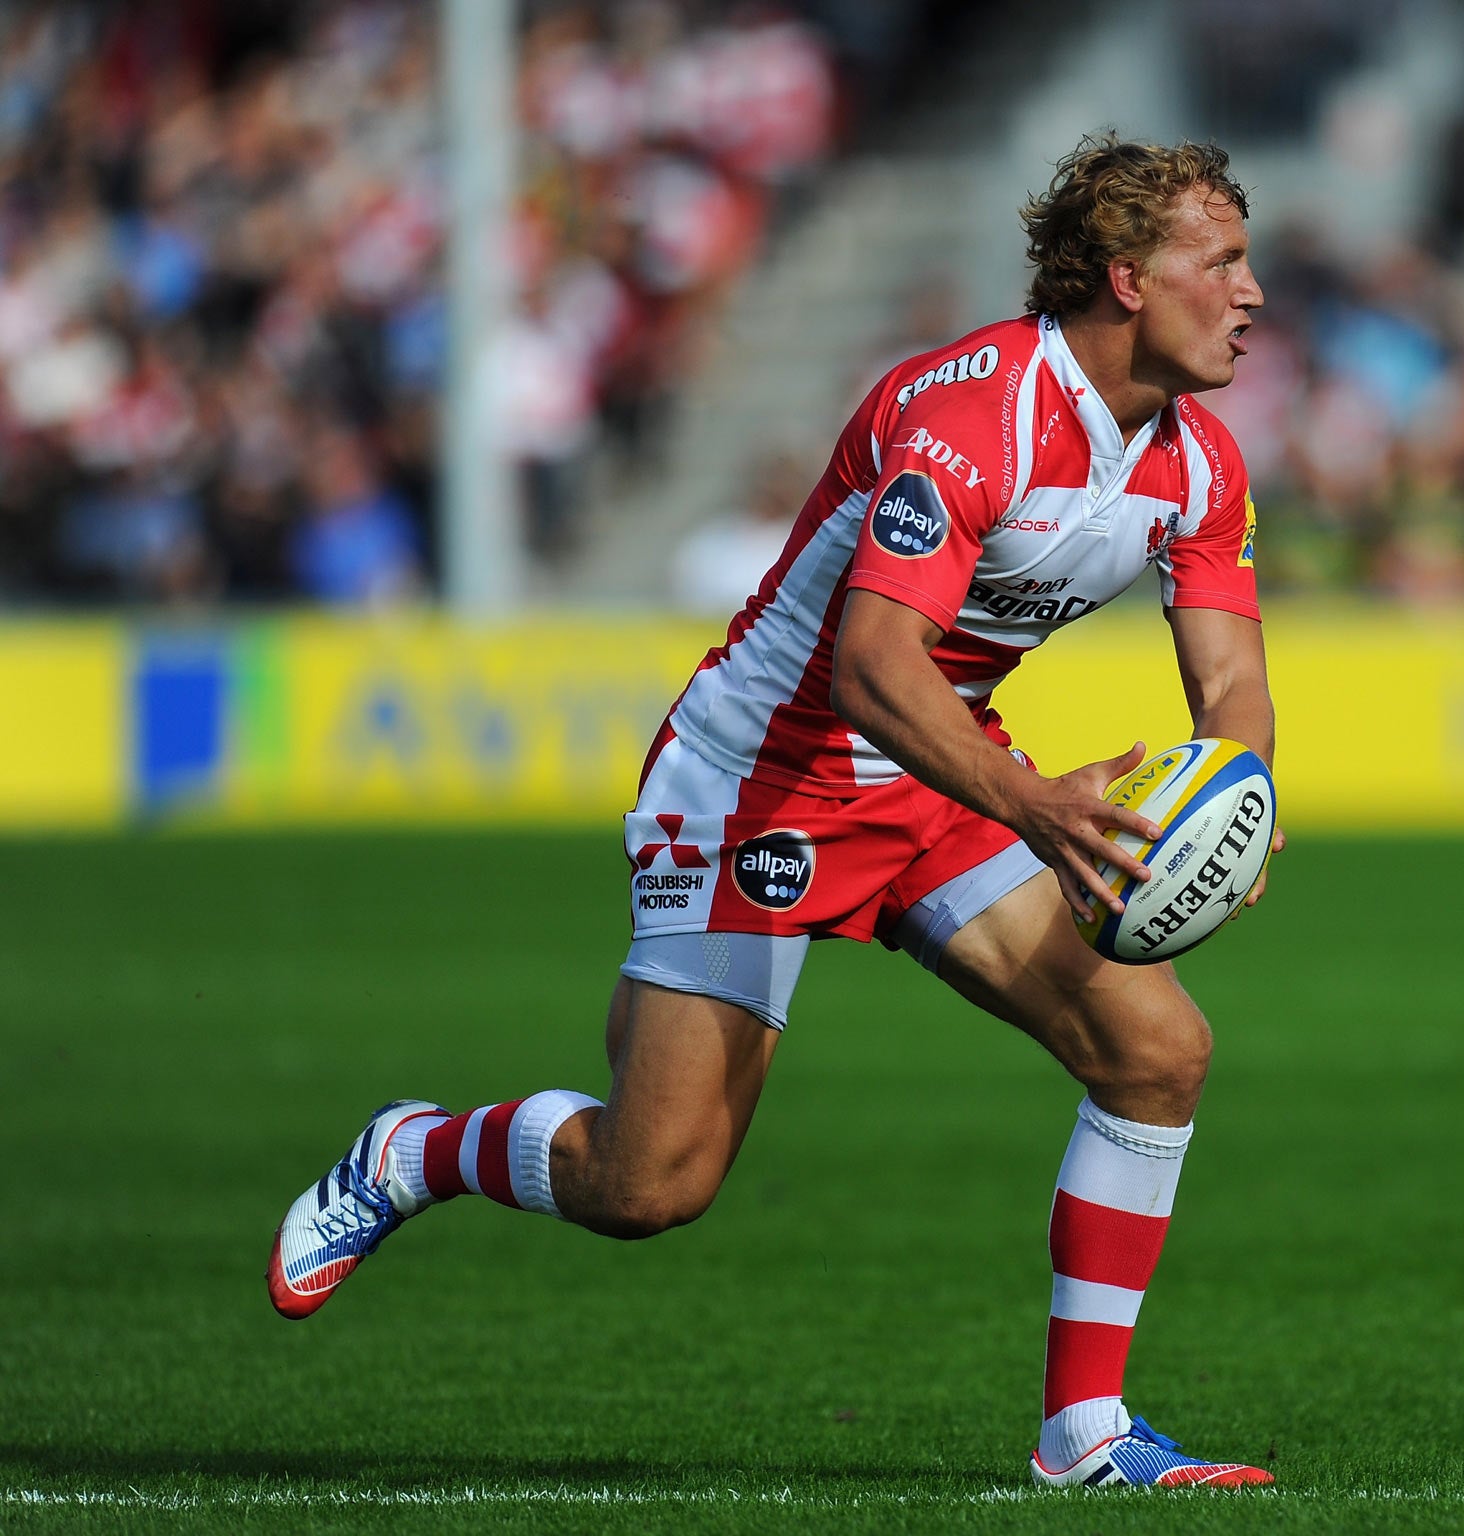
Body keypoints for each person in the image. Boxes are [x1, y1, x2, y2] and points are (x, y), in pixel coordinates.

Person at [267, 134, 1283, 1492]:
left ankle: (1083, 1435)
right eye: (1218, 261)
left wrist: (1238, 802)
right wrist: (1040, 807)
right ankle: (416, 1149)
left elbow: (1233, 684)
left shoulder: (1201, 461)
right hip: (764, 770)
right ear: (1121, 279)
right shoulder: (970, 415)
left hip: (937, 769)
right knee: (653, 1184)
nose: (1252, 291)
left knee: (1157, 1053)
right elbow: (868, 668)